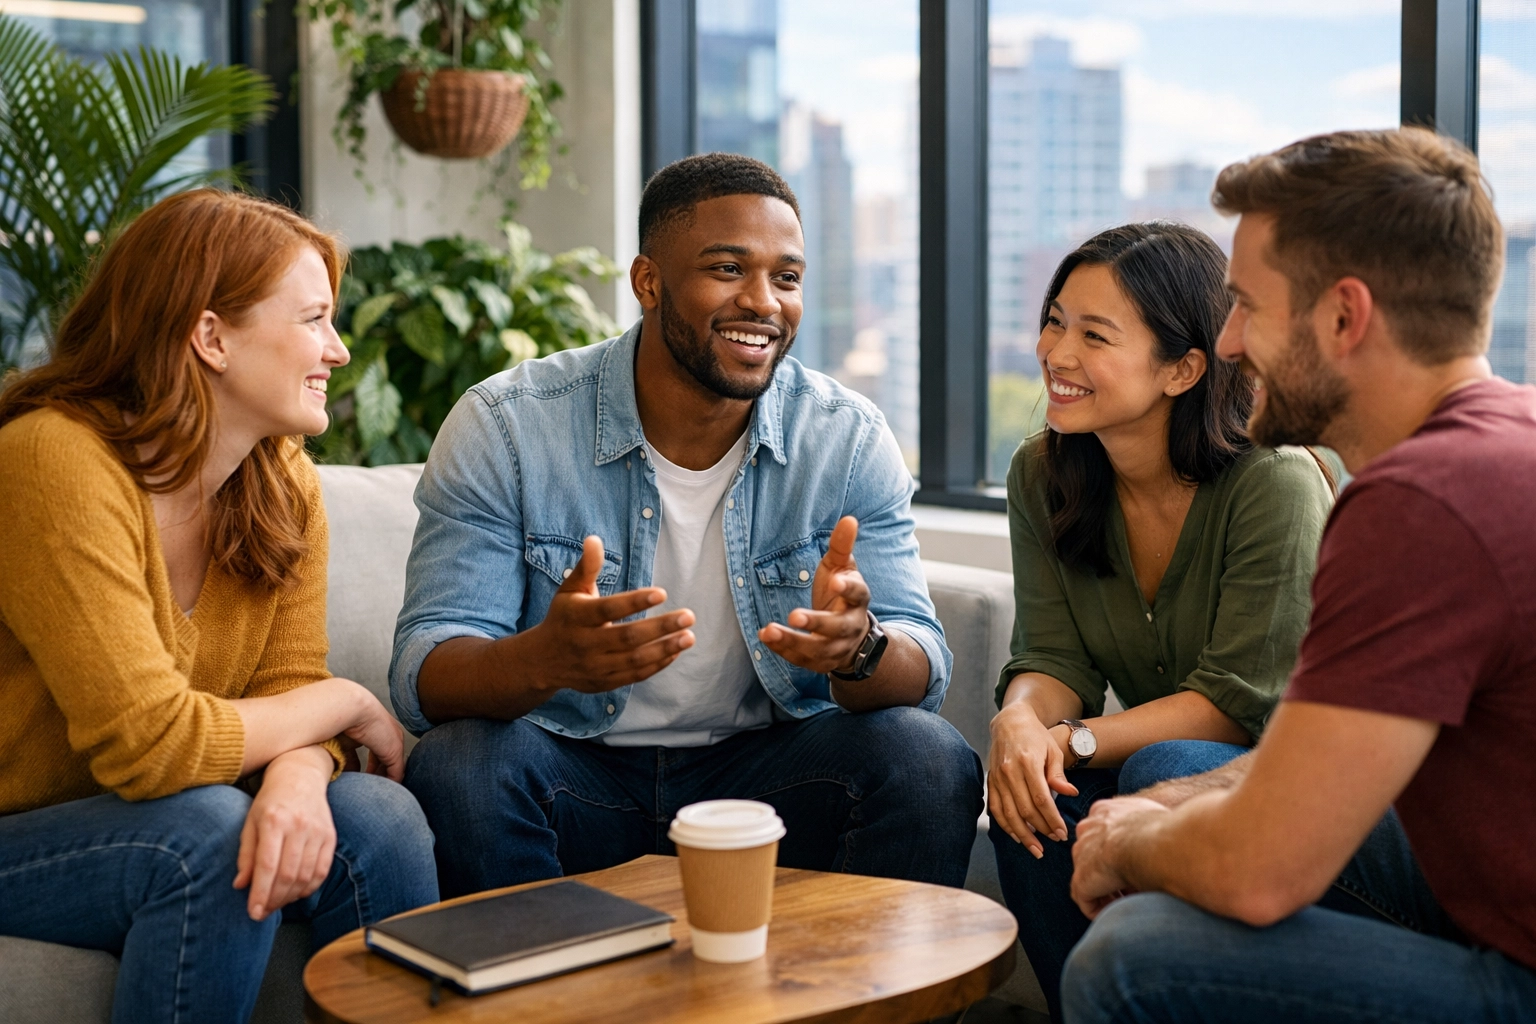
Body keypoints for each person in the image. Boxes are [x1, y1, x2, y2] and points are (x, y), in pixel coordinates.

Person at [394, 152, 981, 898]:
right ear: (648, 282)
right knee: (461, 762)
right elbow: (424, 670)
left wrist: (857, 649)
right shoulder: (507, 426)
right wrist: (545, 659)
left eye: (787, 278)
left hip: (763, 778)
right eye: (728, 269)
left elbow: (922, 665)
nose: (764, 303)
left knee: (926, 755)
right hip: (576, 772)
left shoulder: (846, 437)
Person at [1060, 127, 1536, 1023]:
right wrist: (1175, 805)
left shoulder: (1420, 505)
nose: (1230, 342)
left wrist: (1133, 850)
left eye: (1247, 306)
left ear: (1344, 318)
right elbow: (1349, 762)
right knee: (1181, 784)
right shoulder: (1504, 438)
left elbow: (1257, 875)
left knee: (1132, 959)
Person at [0, 190, 438, 1024]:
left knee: (377, 816)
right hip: (23, 828)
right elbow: (150, 747)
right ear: (210, 337)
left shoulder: (282, 485)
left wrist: (298, 781)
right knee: (205, 832)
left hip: (168, 805)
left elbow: (288, 687)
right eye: (313, 320)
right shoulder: (51, 462)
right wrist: (347, 702)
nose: (338, 351)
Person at [985, 222, 1334, 1019]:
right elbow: (1053, 659)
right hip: (1158, 760)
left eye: (1094, 335)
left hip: (1289, 785)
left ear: (1182, 368)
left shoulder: (1273, 480)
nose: (1056, 353)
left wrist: (1065, 739)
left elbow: (1237, 705)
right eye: (1055, 320)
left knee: (1162, 766)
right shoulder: (1041, 473)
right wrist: (1017, 725)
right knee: (1031, 806)